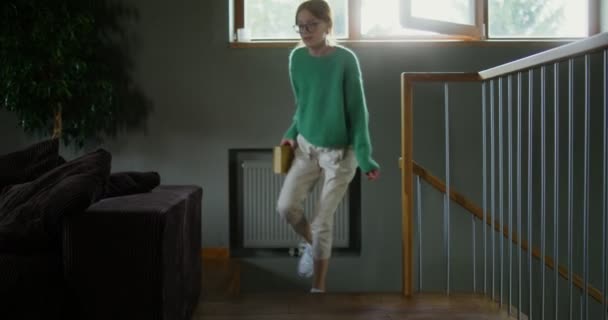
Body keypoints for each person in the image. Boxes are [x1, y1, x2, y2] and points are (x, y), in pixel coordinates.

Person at [276, 0, 380, 294]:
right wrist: (290, 133)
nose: (305, 31)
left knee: (323, 221)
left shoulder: (345, 60)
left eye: (312, 24)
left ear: (328, 26)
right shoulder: (296, 59)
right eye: (300, 25)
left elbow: (359, 115)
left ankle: (317, 291)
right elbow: (302, 106)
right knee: (285, 207)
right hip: (307, 146)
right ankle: (310, 245)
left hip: (341, 153)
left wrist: (365, 157)